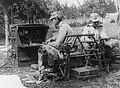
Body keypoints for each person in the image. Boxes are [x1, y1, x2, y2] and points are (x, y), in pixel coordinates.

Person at [37, 11, 75, 80]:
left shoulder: (63, 27)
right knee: (47, 46)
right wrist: (51, 39)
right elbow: (59, 36)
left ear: (57, 19)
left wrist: (48, 43)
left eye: (53, 20)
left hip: (66, 48)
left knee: (43, 47)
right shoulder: (64, 26)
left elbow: (58, 43)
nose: (52, 21)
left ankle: (44, 68)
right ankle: (46, 67)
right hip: (67, 46)